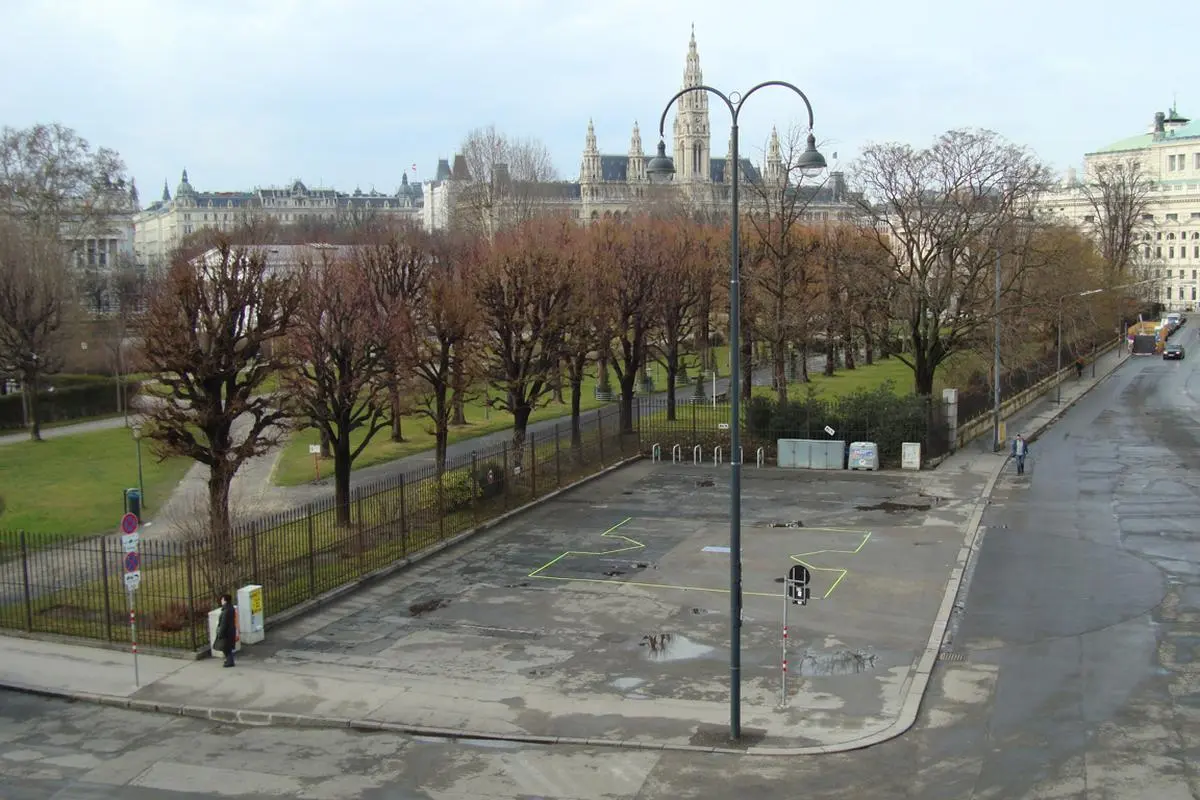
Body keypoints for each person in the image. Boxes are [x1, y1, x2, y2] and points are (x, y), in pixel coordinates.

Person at [214, 593, 237, 667]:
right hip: (230, 631)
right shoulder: (230, 608)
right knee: (227, 647)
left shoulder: (226, 610)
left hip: (226, 632)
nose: (221, 601)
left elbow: (224, 623)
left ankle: (230, 662)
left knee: (226, 648)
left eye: (222, 599)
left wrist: (220, 633)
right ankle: (229, 660)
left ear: (225, 600)